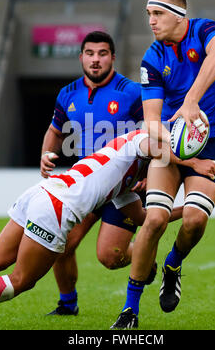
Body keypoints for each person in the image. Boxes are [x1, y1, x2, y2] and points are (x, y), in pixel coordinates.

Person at [0, 130, 215, 313]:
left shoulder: (126, 184)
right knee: (22, 280)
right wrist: (193, 162)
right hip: (56, 207)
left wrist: (189, 208)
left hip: (41, 192)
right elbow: (150, 146)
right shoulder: (137, 140)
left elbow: (143, 216)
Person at [111, 0, 215, 329]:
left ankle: (173, 264)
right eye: (149, 14)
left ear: (180, 14)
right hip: (170, 145)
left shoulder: (206, 30)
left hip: (214, 143)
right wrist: (182, 154)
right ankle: (129, 311)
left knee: (194, 220)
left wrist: (191, 100)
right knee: (154, 221)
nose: (151, 21)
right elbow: (152, 123)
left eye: (158, 13)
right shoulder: (152, 56)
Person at [40, 30, 148, 316]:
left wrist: (149, 174)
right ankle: (67, 304)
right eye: (90, 54)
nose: (96, 60)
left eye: (102, 54)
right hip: (85, 184)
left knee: (110, 258)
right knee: (59, 245)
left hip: (123, 188)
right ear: (81, 58)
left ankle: (144, 252)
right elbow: (54, 130)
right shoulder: (67, 94)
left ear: (112, 57)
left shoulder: (133, 93)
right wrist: (45, 155)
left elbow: (153, 134)